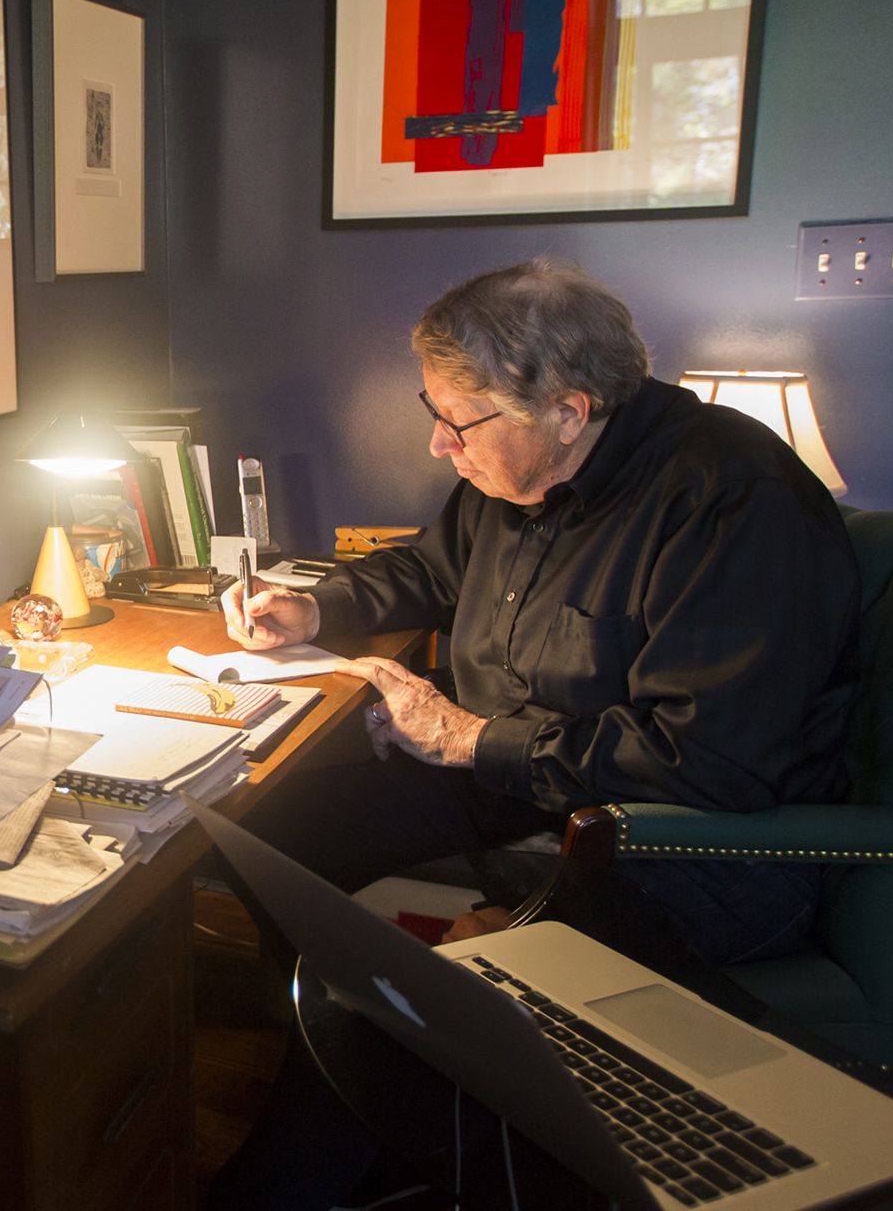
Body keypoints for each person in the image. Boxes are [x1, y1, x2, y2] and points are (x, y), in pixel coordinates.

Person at [222, 257, 859, 965]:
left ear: (567, 412)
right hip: (532, 782)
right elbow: (432, 568)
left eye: (458, 422)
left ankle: (367, 1045)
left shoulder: (731, 497)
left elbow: (703, 759)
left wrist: (468, 739)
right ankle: (310, 1012)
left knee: (467, 988)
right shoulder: (519, 471)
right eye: (435, 413)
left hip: (688, 845)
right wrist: (313, 608)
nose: (440, 444)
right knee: (266, 828)